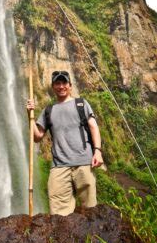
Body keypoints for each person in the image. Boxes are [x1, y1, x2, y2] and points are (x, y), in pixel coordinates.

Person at [26, 70, 103, 215]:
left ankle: (92, 238)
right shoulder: (48, 110)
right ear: (53, 86)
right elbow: (37, 136)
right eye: (57, 83)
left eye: (64, 83)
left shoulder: (81, 104)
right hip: (59, 166)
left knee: (91, 210)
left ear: (70, 85)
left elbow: (93, 126)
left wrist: (97, 151)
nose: (61, 86)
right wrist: (29, 114)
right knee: (58, 215)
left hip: (83, 163)